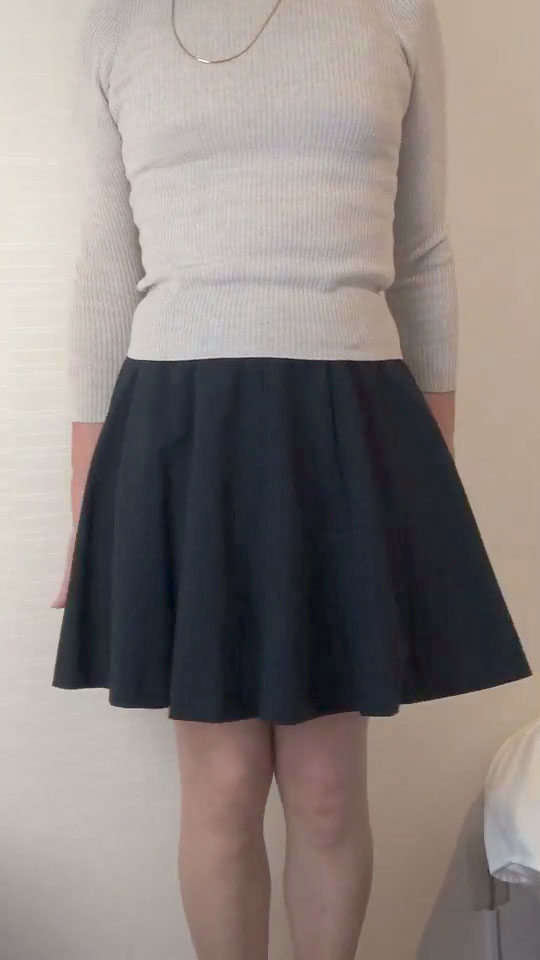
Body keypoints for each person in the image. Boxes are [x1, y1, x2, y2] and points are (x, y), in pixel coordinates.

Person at [50, 1, 532, 957]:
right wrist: (87, 514)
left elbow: (421, 256)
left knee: (324, 790)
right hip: (181, 436)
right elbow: (107, 267)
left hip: (347, 428)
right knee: (223, 785)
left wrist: (424, 495)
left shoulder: (394, 12)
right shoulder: (120, 26)